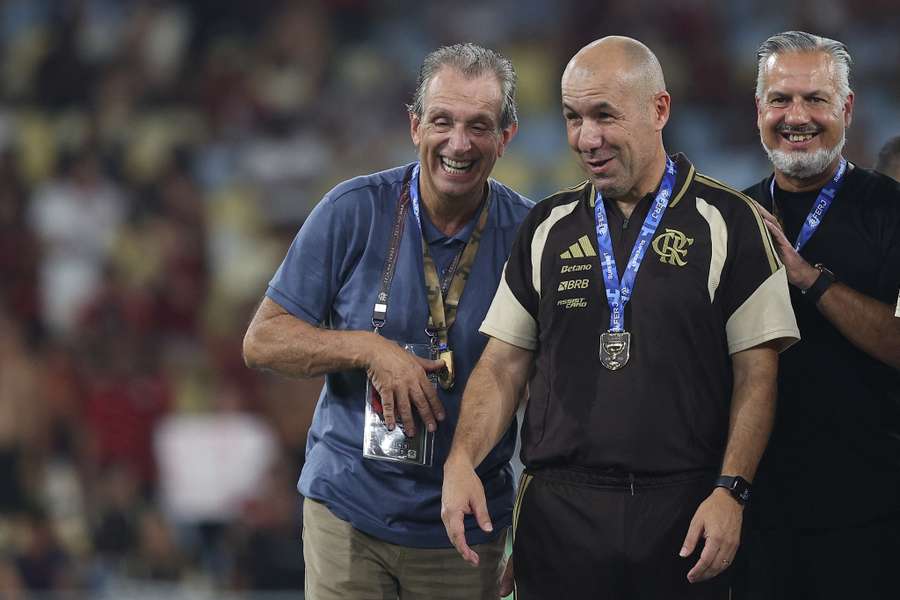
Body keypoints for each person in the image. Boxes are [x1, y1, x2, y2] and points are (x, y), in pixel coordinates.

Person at [440, 36, 800, 600]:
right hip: (559, 514)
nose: (588, 138)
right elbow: (504, 365)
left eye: (604, 115)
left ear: (659, 109)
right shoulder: (546, 226)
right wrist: (462, 460)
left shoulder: (730, 221)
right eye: (573, 117)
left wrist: (731, 491)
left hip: (684, 514)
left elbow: (758, 377)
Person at [242, 43, 533, 600]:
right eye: (442, 122)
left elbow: (545, 392)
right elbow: (262, 340)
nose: (458, 143)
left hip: (467, 526)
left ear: (506, 137)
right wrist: (368, 349)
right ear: (415, 125)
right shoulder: (353, 210)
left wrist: (534, 526)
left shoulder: (528, 236)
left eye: (479, 126)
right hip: (348, 513)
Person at [735, 31, 900, 600]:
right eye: (780, 100)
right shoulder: (729, 216)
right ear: (759, 110)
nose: (795, 116)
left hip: (871, 518)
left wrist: (808, 277)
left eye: (816, 99)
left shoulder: (891, 211)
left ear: (847, 108)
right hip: (755, 512)